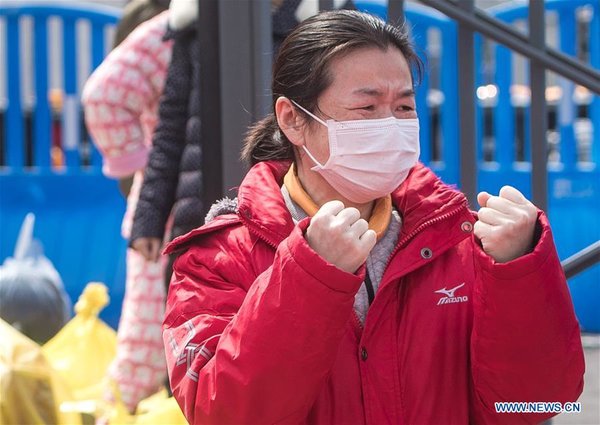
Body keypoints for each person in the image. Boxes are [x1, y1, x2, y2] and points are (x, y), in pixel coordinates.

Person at [162, 10, 585, 425]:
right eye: (367, 107)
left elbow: (536, 403)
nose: (391, 125)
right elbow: (226, 414)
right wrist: (310, 274)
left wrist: (518, 271)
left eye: (404, 107)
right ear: (293, 119)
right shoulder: (218, 259)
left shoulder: (458, 238)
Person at [81, 2, 171, 412]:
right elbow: (104, 95)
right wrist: (139, 165)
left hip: (163, 200)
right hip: (165, 207)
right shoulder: (179, 26)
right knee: (148, 341)